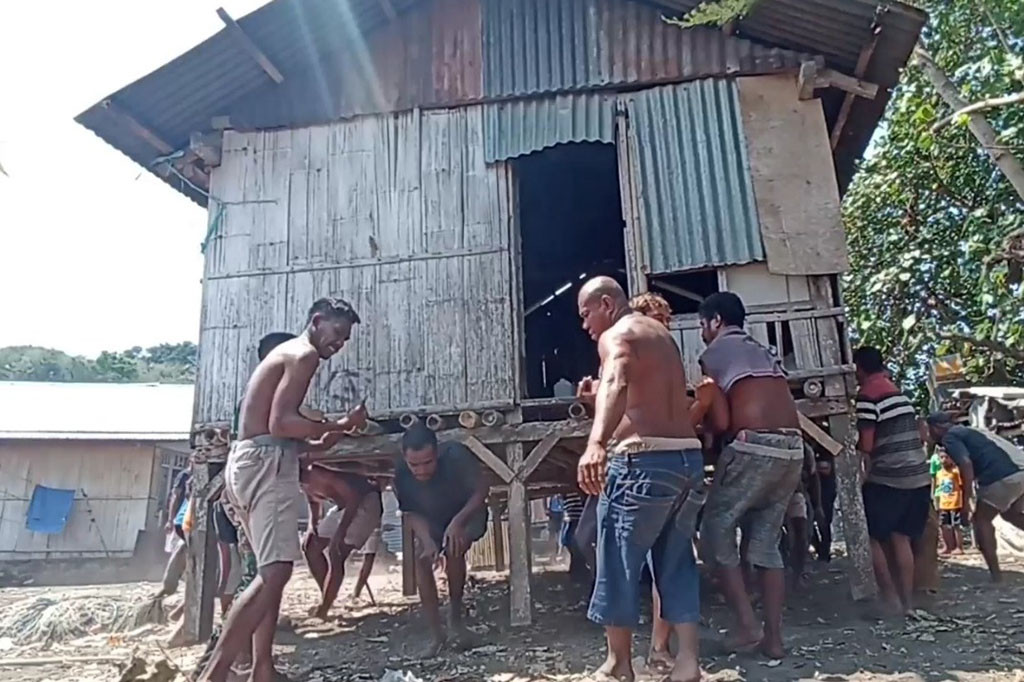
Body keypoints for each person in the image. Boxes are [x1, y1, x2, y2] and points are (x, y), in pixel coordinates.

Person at [196, 297, 367, 682]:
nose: (338, 345)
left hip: (253, 460)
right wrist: (338, 422)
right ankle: (216, 674)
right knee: (274, 573)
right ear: (317, 321)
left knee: (268, 574)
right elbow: (281, 424)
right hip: (264, 465)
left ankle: (262, 669)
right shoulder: (303, 355)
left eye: (344, 340)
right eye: (337, 334)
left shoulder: (287, 354)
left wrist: (327, 437)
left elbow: (277, 432)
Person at [575, 276, 704, 682]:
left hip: (642, 464)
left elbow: (617, 379)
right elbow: (648, 399)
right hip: (687, 459)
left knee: (617, 561)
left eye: (586, 313)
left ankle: (618, 665)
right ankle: (687, 663)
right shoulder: (661, 336)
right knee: (677, 562)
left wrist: (596, 442)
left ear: (607, 304)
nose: (585, 325)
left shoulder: (618, 333)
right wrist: (598, 404)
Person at [695, 292, 802, 660]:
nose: (702, 334)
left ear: (716, 321)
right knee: (766, 544)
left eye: (702, 326)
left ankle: (746, 625)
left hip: (753, 445)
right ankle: (774, 639)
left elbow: (723, 420)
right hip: (792, 448)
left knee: (714, 530)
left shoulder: (714, 354)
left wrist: (705, 422)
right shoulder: (764, 351)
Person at [394, 422, 489, 656]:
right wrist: (426, 540)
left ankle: (455, 617)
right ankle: (436, 634)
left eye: (427, 463)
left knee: (454, 549)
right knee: (421, 559)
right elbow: (410, 512)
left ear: (437, 453)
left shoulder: (456, 456)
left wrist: (457, 523)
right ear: (405, 459)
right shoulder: (400, 473)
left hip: (468, 513)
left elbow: (481, 490)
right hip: (432, 518)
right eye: (414, 465)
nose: (421, 470)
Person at [853, 346, 931, 617]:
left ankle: (889, 598)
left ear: (859, 368)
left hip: (891, 477)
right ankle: (907, 603)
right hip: (919, 477)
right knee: (901, 538)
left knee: (872, 536)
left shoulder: (867, 397)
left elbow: (867, 444)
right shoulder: (900, 395)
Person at [926, 412, 1024, 581]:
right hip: (1020, 470)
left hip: (1001, 476)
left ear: (935, 428)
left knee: (981, 521)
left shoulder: (950, 437)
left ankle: (996, 576)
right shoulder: (973, 431)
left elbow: (965, 464)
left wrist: (965, 503)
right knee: (1010, 513)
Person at [301, 465, 382, 619]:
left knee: (336, 552)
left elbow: (354, 497)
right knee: (310, 546)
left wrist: (340, 532)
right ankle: (327, 595)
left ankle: (324, 608)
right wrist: (312, 526)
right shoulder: (298, 481)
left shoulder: (319, 473)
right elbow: (313, 503)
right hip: (343, 507)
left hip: (366, 502)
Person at [934, 452, 965, 555]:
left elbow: (961, 486)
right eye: (941, 457)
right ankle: (947, 546)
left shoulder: (956, 472)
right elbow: (939, 488)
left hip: (955, 502)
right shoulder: (939, 473)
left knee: (956, 525)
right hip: (944, 503)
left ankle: (959, 547)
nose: (944, 459)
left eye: (946, 457)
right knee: (943, 525)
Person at [812, 453, 837, 562]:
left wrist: (812, 467)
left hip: (826, 490)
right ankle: (818, 548)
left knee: (825, 522)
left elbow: (827, 469)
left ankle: (824, 553)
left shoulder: (825, 449)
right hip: (810, 489)